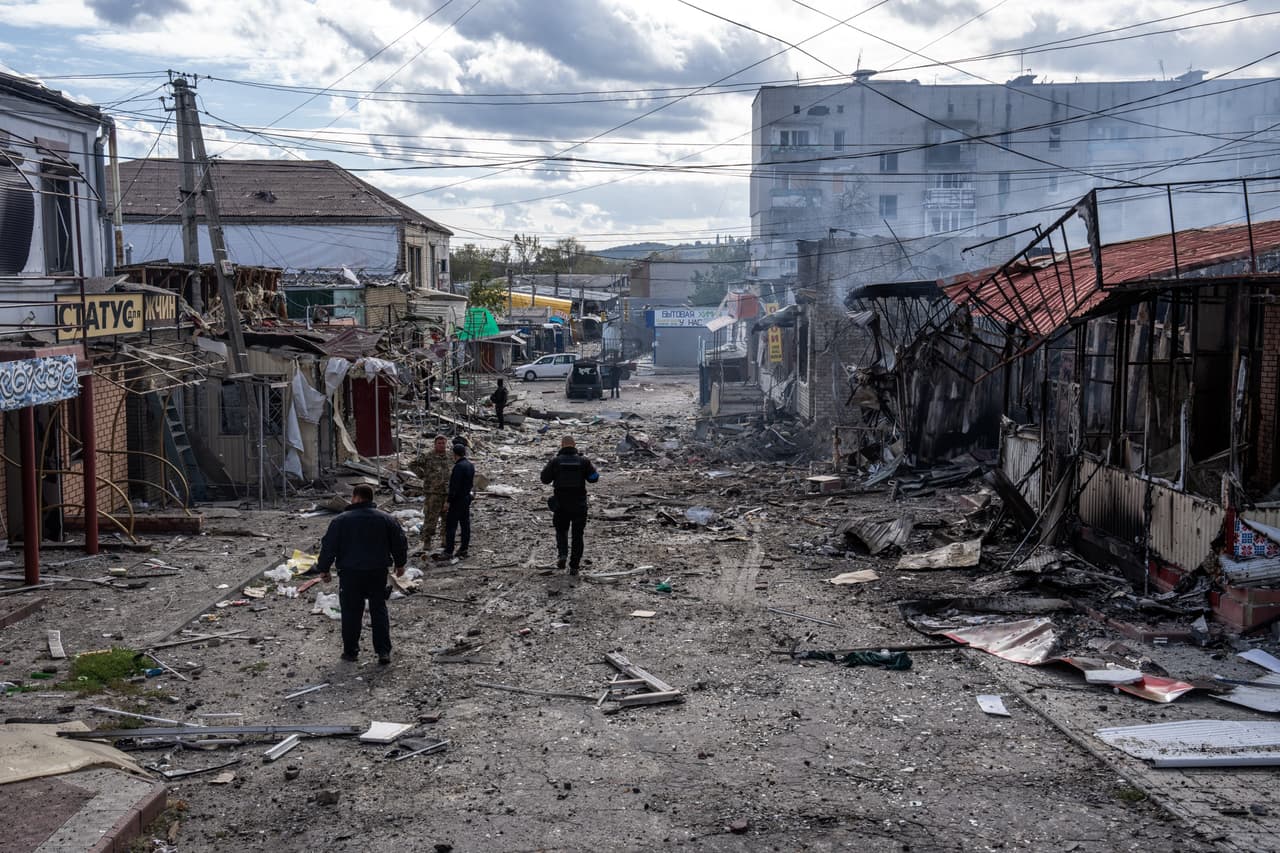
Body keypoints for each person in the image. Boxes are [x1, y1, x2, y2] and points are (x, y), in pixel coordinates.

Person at [317, 484, 407, 665]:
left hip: (350, 573)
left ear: (356, 498)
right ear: (371, 498)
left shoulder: (340, 521)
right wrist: (400, 564)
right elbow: (399, 542)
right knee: (379, 610)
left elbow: (329, 547)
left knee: (351, 612)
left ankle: (351, 652)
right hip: (377, 572)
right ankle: (383, 652)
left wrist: (324, 569)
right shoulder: (386, 519)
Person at [540, 435, 599, 575]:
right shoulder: (584, 461)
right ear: (574, 445)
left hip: (561, 504)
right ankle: (574, 566)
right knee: (578, 535)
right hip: (579, 504)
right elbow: (594, 478)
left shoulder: (555, 461)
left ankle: (562, 555)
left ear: (562, 446)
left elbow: (544, 479)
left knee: (561, 531)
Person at [409, 435, 451, 554]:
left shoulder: (450, 456)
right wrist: (422, 475)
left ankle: (445, 540)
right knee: (430, 519)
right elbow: (412, 464)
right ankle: (427, 541)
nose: (441, 445)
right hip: (433, 492)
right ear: (435, 444)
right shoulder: (428, 456)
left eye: (443, 443)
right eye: (439, 443)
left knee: (447, 519)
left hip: (447, 493)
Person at [441, 443, 475, 560]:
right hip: (466, 498)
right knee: (465, 525)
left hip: (457, 500)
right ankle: (463, 549)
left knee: (451, 526)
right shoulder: (470, 465)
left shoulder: (458, 467)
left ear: (454, 454)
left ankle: (448, 551)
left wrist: (448, 502)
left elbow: (454, 487)